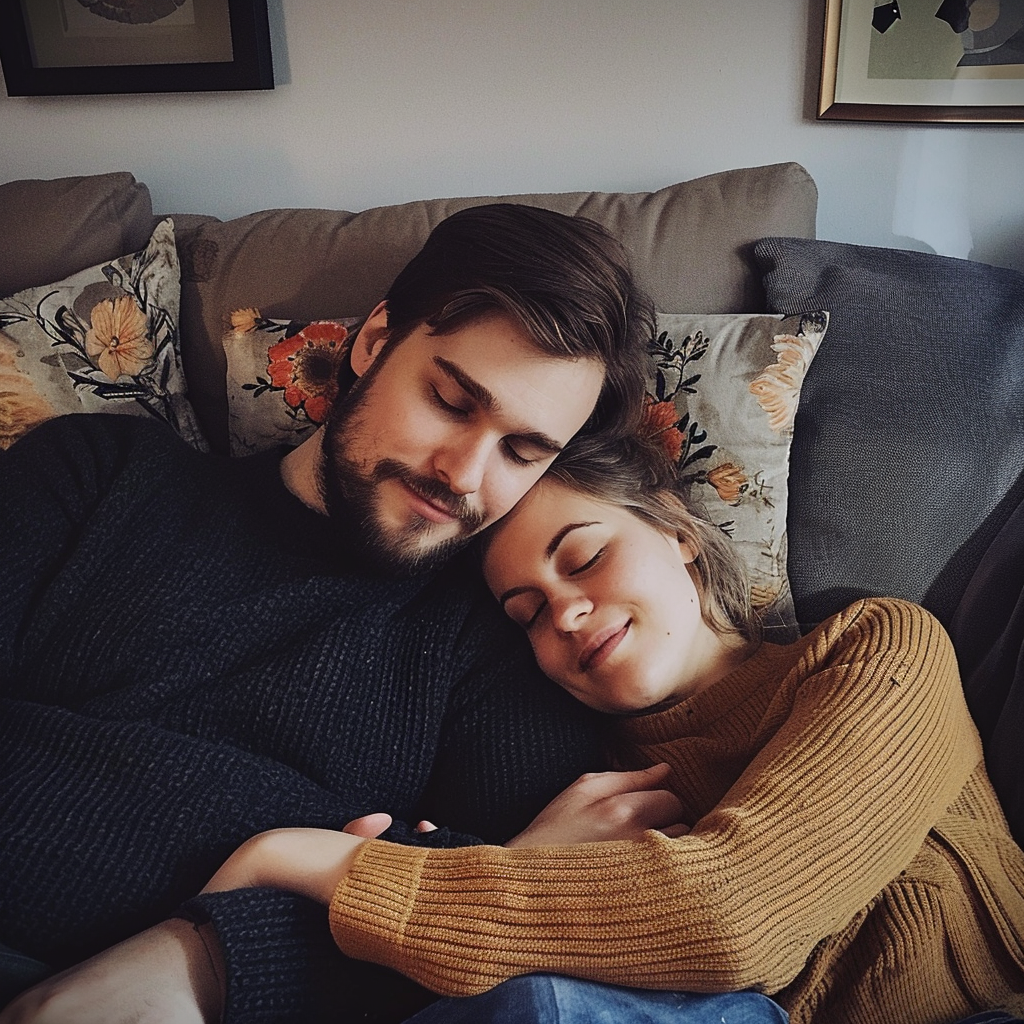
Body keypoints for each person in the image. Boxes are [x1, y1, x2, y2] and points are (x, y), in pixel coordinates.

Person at [0, 204, 656, 1024]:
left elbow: (501, 932)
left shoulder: (505, 638)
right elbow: (443, 897)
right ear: (375, 342)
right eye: (451, 401)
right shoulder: (91, 474)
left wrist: (207, 958)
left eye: (523, 452)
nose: (463, 475)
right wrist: (324, 865)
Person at [199, 433, 1024, 1024]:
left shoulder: (875, 645)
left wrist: (307, 859)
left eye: (583, 557)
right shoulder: (583, 784)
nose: (565, 611)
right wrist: (523, 860)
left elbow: (732, 918)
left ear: (675, 531)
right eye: (526, 613)